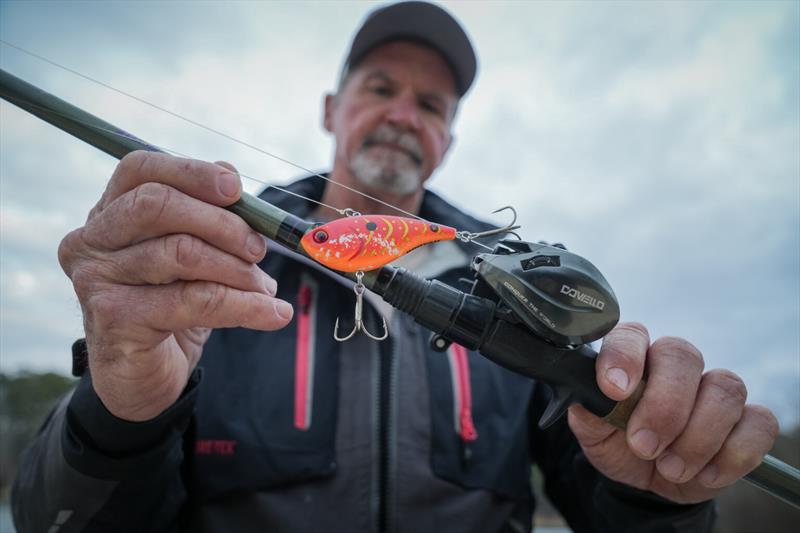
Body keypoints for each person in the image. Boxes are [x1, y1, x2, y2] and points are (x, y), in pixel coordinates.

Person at [12, 2, 779, 532]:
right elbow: (59, 518)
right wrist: (117, 411)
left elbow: (611, 508)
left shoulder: (513, 285)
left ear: (447, 138)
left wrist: (660, 492)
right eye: (380, 88)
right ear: (329, 108)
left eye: (433, 104)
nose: (405, 114)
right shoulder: (209, 256)